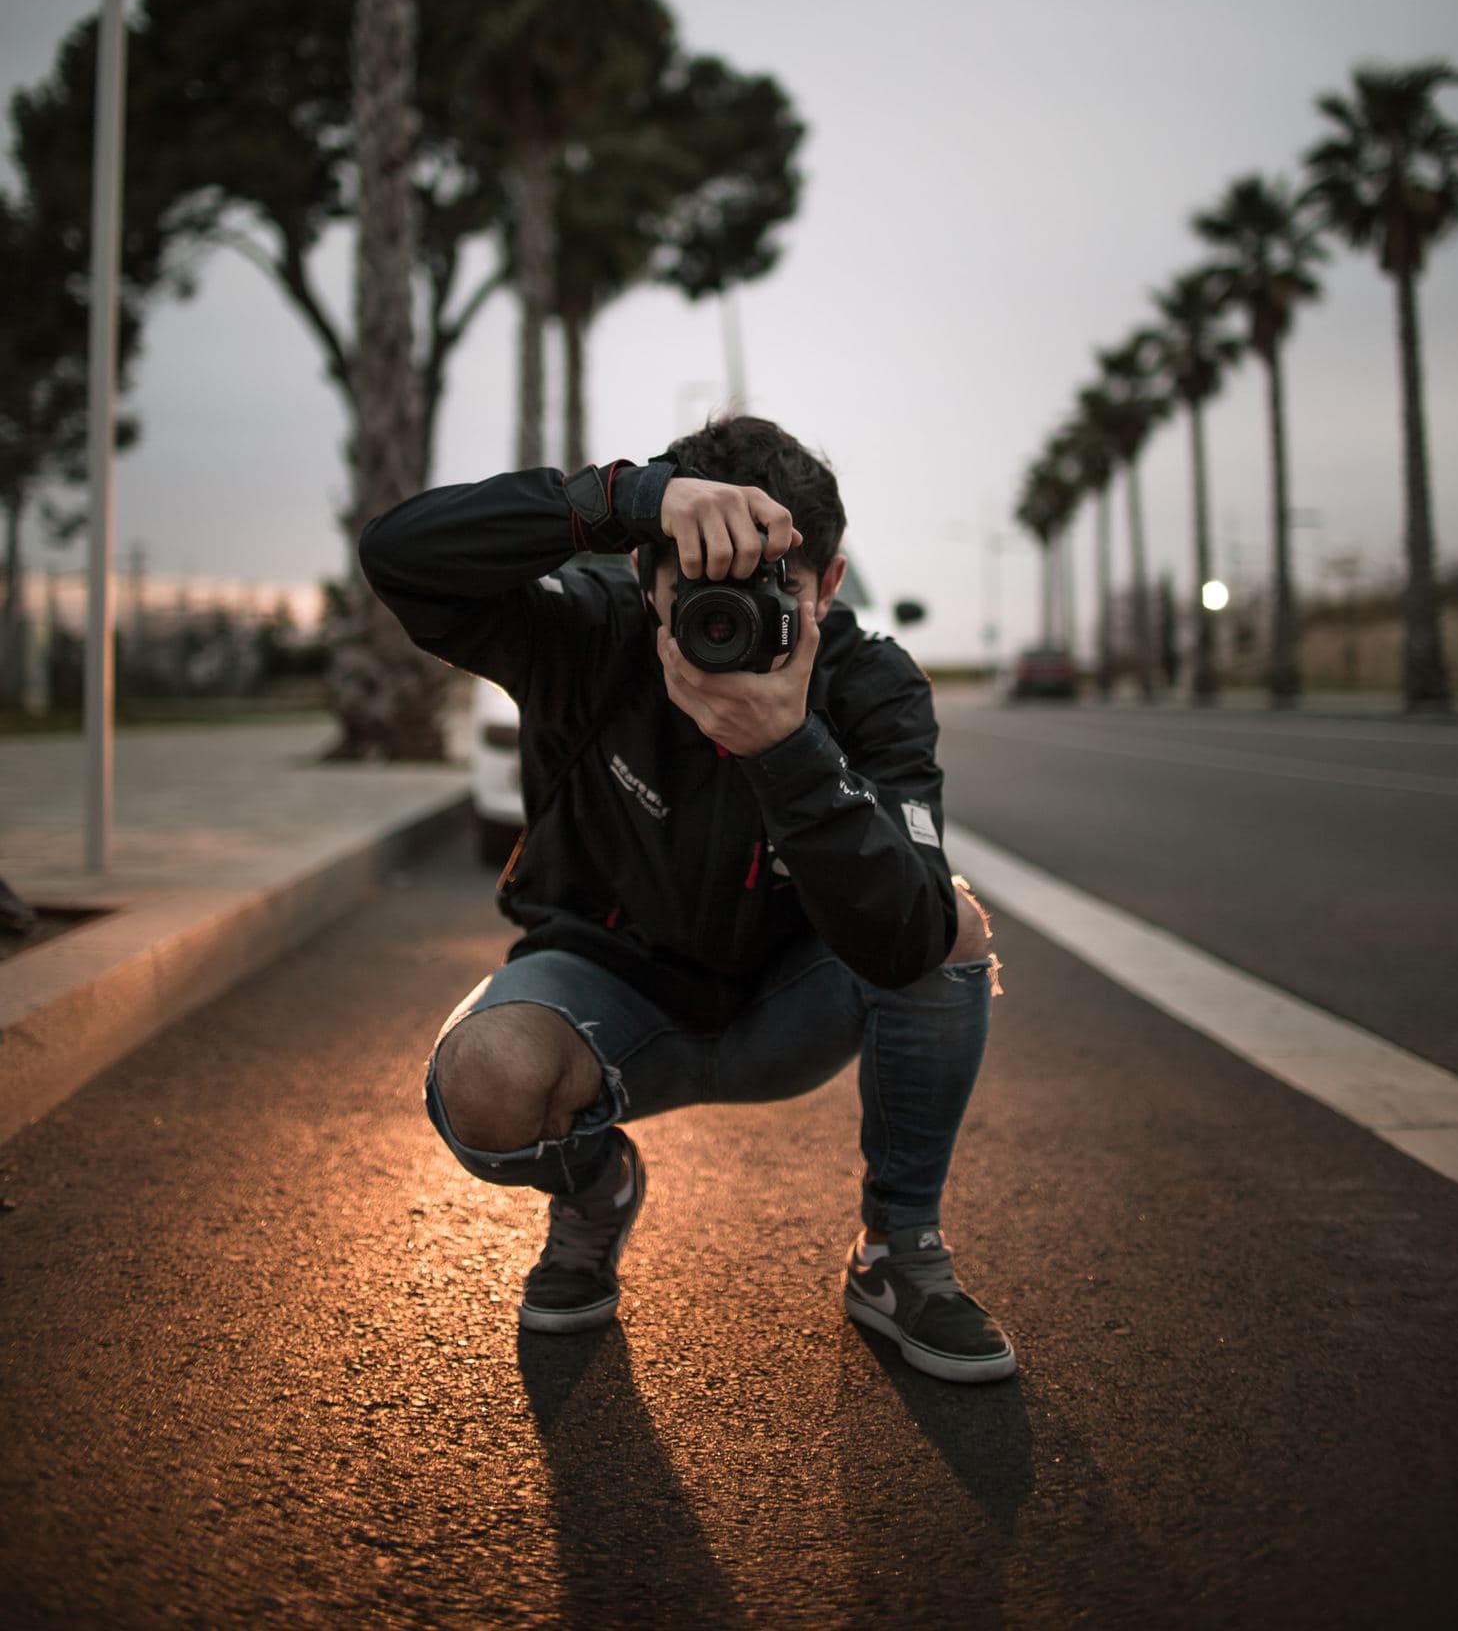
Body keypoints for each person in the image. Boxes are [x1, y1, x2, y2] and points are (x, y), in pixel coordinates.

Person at [359, 416, 1014, 1384]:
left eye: (772, 590)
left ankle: (897, 1251)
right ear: (646, 575)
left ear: (828, 588)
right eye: (699, 586)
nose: (728, 624)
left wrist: (785, 751)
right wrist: (626, 497)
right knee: (483, 1081)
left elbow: (909, 934)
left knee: (954, 920)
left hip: (794, 999)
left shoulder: (872, 685)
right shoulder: (589, 635)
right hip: (606, 988)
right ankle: (593, 1191)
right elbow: (398, 555)